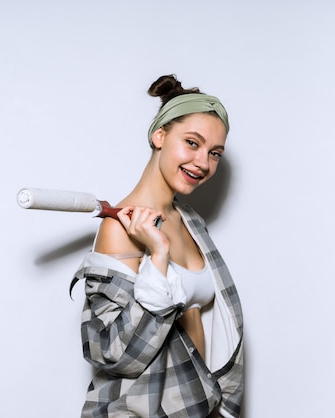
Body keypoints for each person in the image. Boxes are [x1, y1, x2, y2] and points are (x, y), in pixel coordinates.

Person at [72, 74, 244, 418]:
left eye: (214, 153)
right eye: (192, 143)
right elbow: (114, 353)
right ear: (159, 135)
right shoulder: (120, 230)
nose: (203, 163)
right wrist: (158, 257)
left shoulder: (191, 222)